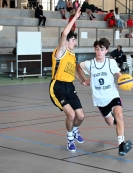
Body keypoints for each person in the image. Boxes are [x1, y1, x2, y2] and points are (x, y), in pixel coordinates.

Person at [76, 38, 133, 156]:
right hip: (99, 100)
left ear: (106, 51)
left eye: (102, 49)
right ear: (94, 50)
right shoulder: (90, 64)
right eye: (97, 49)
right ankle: (113, 119)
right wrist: (83, 80)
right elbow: (78, 67)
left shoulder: (110, 63)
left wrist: (128, 83)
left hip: (113, 95)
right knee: (110, 122)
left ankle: (121, 145)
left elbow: (119, 75)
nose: (99, 52)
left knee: (119, 115)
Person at [49, 7, 85, 152]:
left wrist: (82, 80)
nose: (75, 42)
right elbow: (64, 33)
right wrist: (74, 17)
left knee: (81, 116)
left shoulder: (72, 55)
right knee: (71, 114)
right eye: (73, 40)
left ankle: (75, 130)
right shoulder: (60, 51)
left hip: (70, 86)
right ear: (67, 42)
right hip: (58, 87)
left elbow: (73, 70)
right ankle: (70, 138)